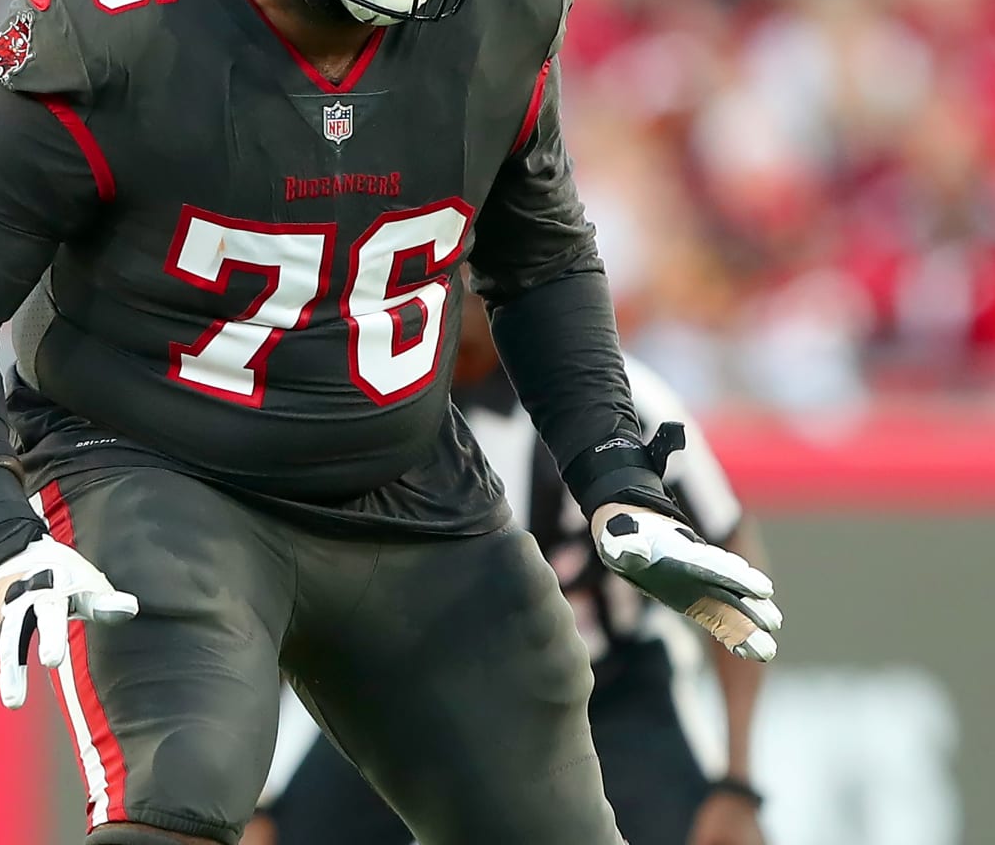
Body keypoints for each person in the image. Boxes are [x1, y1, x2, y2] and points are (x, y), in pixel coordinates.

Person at [0, 0, 780, 845]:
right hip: (158, 465)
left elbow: (539, 261)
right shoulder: (116, 20)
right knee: (181, 796)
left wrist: (615, 476)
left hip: (405, 480)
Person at [251, 293, 771, 845]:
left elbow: (727, 547)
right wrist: (256, 797)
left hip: (606, 698)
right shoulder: (356, 406)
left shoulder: (619, 397)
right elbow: (292, 585)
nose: (467, 281)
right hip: (408, 696)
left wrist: (736, 781)